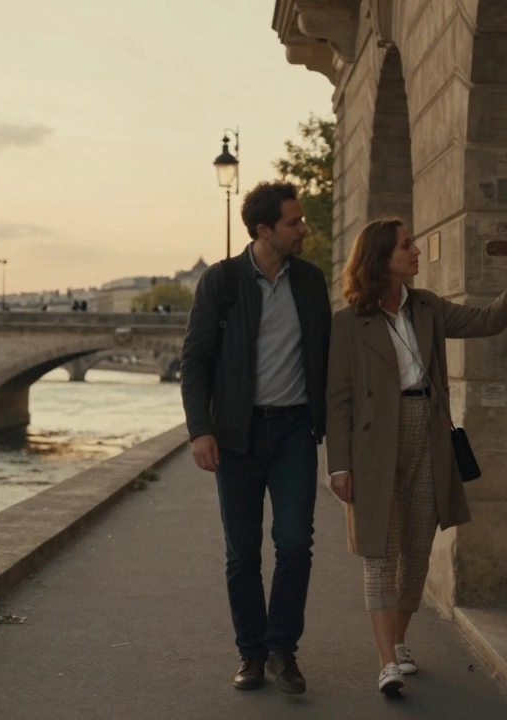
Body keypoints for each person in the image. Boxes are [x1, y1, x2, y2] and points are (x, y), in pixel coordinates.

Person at [325, 217, 507, 695]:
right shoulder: (349, 323)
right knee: (380, 550)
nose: (415, 251)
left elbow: (485, 321)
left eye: (412, 244)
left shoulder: (427, 307)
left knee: (415, 554)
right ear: (381, 259)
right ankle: (386, 661)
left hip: (427, 434)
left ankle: (398, 640)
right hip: (374, 445)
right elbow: (339, 398)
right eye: (406, 246)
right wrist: (340, 464)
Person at [179, 181, 332, 694]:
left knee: (294, 543)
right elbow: (195, 361)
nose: (304, 227)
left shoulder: (311, 281)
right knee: (242, 552)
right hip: (237, 434)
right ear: (265, 230)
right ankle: (251, 652)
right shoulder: (221, 282)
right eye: (295, 221)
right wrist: (201, 429)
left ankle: (283, 649)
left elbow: (328, 352)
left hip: (293, 429)